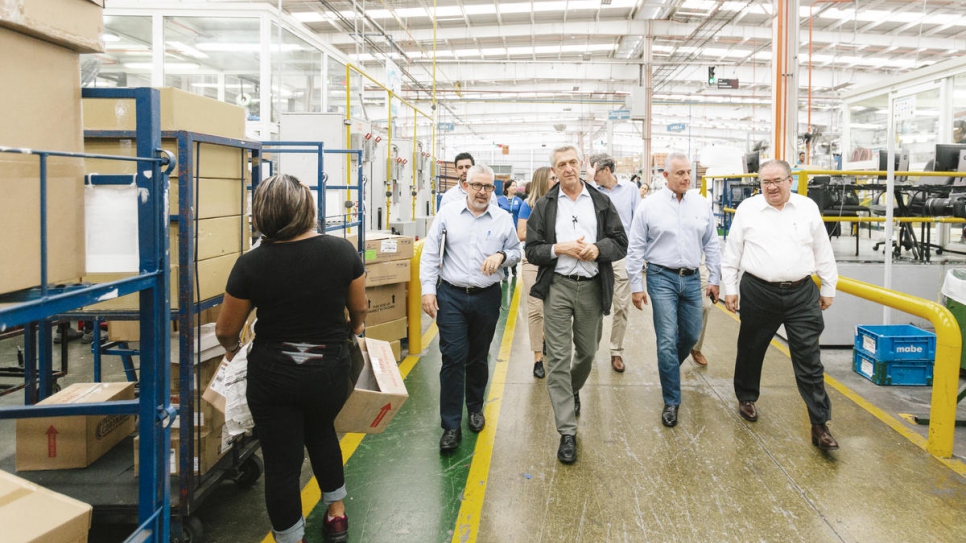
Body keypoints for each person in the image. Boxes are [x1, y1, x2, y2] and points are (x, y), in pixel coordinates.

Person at [215, 174, 367, 543]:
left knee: (282, 463)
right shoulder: (342, 251)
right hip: (329, 370)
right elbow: (359, 310)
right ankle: (336, 515)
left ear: (261, 213)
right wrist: (354, 330)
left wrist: (235, 351)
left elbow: (225, 330)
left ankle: (291, 537)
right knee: (323, 434)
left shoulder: (250, 264)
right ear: (307, 208)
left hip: (273, 374)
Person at [721, 159, 840, 451]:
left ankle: (819, 423)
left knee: (809, 358)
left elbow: (821, 248)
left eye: (777, 181)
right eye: (765, 182)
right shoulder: (748, 209)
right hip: (759, 291)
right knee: (750, 348)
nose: (771, 187)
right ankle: (746, 397)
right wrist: (730, 290)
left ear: (790, 180)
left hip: (802, 293)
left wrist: (828, 285)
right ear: (759, 184)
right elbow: (732, 251)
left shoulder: (807, 208)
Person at [526, 145, 627, 464]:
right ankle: (567, 431)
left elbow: (620, 243)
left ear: (582, 165)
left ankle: (570, 391)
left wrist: (597, 250)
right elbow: (532, 250)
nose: (568, 168)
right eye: (561, 164)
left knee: (587, 351)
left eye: (573, 162)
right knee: (558, 356)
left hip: (592, 287)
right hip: (558, 287)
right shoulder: (545, 205)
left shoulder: (600, 202)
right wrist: (559, 248)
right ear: (553, 171)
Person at [420, 164, 522, 454]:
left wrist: (502, 256)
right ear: (465, 185)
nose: (482, 192)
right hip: (450, 296)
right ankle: (451, 424)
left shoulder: (503, 219)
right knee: (453, 357)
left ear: (494, 190)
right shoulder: (448, 214)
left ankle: (475, 408)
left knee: (478, 357)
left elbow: (517, 252)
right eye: (477, 185)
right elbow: (429, 253)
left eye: (488, 187)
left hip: (486, 296)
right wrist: (428, 289)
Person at [626, 152, 720, 428]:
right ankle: (672, 400)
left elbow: (712, 243)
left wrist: (715, 277)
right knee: (667, 340)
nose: (687, 178)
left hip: (692, 278)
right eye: (679, 173)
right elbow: (636, 247)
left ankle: (669, 371)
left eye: (689, 172)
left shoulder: (701, 204)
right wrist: (635, 285)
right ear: (665, 176)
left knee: (690, 335)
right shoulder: (649, 206)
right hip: (660, 276)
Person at [590, 153, 638, 373]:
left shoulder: (630, 190)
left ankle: (616, 351)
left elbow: (638, 224)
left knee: (621, 305)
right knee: (595, 305)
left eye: (595, 171)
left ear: (606, 170)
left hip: (621, 254)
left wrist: (638, 256)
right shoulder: (589, 192)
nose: (593, 176)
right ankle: (590, 348)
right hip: (595, 254)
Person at [516, 167, 558, 379]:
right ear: (543, 181)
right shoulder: (527, 205)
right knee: (535, 310)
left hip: (555, 261)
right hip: (533, 261)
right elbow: (521, 233)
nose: (556, 180)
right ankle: (537, 358)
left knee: (553, 309)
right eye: (552, 178)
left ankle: (546, 338)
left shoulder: (561, 203)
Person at [689, 262, 712, 366]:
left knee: (706, 306)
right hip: (676, 263)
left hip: (701, 261)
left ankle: (696, 348)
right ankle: (674, 348)